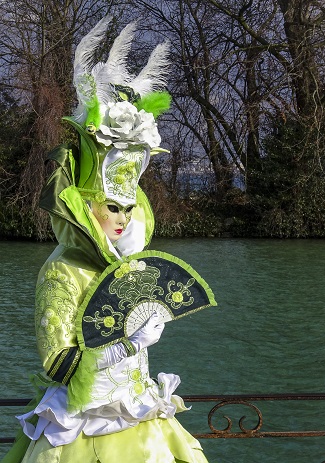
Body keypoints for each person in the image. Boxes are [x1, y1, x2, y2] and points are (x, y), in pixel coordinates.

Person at [1, 17, 210, 463]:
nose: (121, 218)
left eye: (128, 207)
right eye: (111, 207)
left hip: (143, 418)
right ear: (84, 205)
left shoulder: (129, 263)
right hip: (80, 426)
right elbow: (57, 361)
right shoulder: (62, 268)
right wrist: (128, 344)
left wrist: (143, 340)